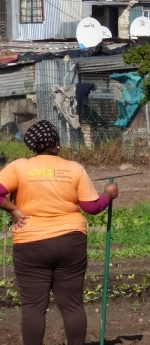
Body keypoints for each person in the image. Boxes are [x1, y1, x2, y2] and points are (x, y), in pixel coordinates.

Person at [0, 120, 119, 345]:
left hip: (31, 242)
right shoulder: (73, 168)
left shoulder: (19, 167)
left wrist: (14, 209)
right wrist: (108, 195)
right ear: (56, 143)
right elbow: (92, 207)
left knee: (33, 307)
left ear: (33, 146)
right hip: (70, 241)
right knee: (72, 304)